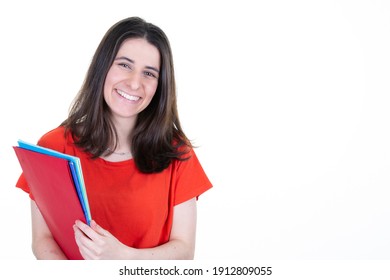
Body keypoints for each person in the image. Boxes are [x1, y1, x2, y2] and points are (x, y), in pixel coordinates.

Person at [15, 16, 212, 260]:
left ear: (160, 85)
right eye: (125, 65)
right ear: (103, 67)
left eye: (149, 73)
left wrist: (123, 257)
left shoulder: (176, 153)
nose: (134, 83)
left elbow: (184, 250)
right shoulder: (55, 147)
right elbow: (42, 240)